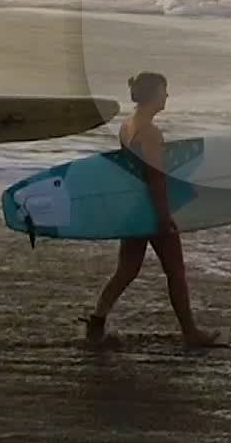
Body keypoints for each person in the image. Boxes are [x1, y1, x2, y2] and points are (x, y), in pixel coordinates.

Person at [85, 71, 218, 349]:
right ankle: (190, 332)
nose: (167, 95)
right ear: (153, 95)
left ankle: (97, 320)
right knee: (175, 271)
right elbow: (155, 178)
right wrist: (163, 215)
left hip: (132, 208)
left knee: (127, 270)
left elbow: (131, 173)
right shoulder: (150, 133)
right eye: (164, 90)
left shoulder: (127, 125)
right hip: (149, 209)